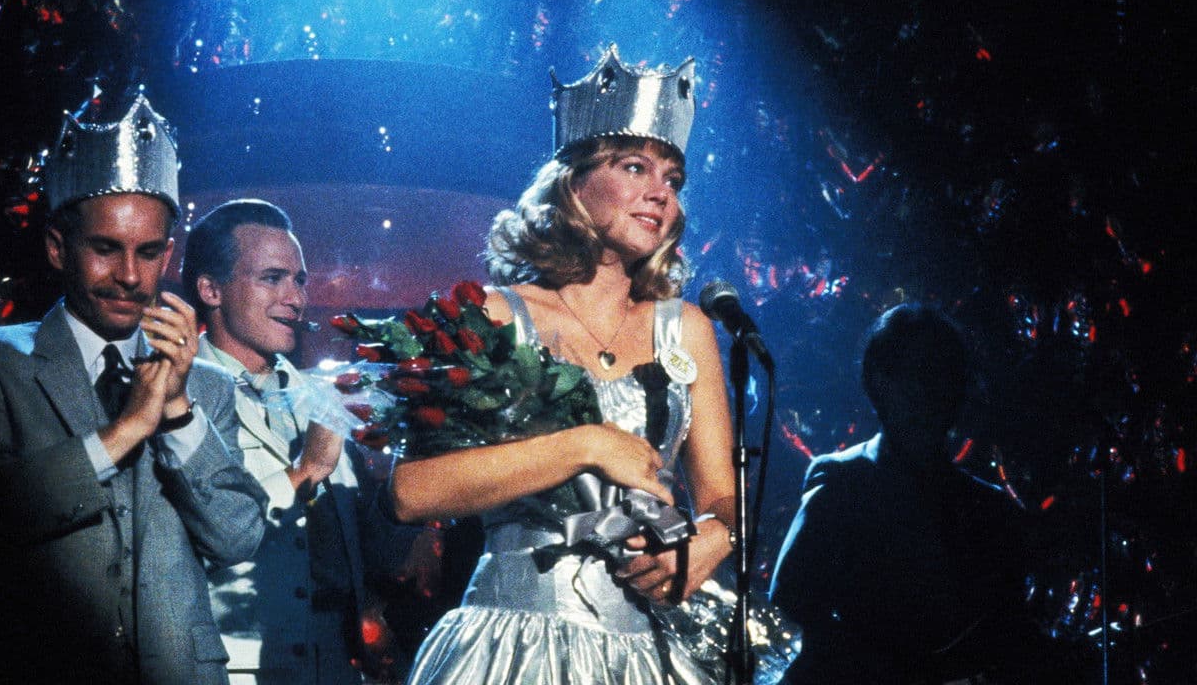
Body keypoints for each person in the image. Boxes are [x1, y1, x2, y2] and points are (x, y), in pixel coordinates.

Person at [391, 45, 737, 684]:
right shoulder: (495, 315)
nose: (659, 194)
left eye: (672, 180)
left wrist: (716, 536)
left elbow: (720, 497)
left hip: (646, 651)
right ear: (574, 182)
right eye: (634, 167)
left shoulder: (687, 328)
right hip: (508, 645)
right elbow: (413, 491)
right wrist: (587, 445)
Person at [0, 94, 267, 684]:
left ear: (168, 254)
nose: (130, 276)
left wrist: (177, 412)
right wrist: (128, 428)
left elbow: (237, 538)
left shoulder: (203, 384)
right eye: (106, 248)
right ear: (58, 247)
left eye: (148, 252)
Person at [183, 199, 417, 684]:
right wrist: (307, 468)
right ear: (210, 289)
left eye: (300, 280)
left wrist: (410, 476)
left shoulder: (325, 396)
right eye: (272, 278)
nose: (295, 298)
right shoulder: (173, 395)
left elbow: (374, 558)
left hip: (335, 668)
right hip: (234, 671)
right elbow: (206, 537)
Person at [769, 304, 1031, 684]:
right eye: (915, 374)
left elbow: (1006, 636)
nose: (928, 391)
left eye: (941, 375)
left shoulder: (990, 510)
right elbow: (790, 599)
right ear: (879, 383)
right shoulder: (843, 480)